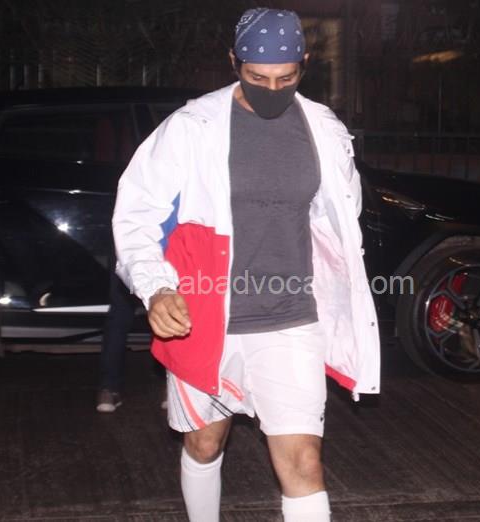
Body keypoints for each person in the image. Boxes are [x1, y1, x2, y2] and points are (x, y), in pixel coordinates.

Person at [112, 7, 380, 521]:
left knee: (303, 461)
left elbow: (340, 218)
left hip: (291, 317)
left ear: (304, 64)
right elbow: (136, 212)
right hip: (205, 316)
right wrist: (156, 287)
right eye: (258, 78)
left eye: (286, 78)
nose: (272, 89)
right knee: (205, 444)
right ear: (234, 62)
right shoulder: (192, 127)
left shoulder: (323, 129)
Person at [96, 253, 138, 413]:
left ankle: (108, 390)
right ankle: (170, 389)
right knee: (164, 308)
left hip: (126, 248)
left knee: (120, 313)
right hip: (161, 245)